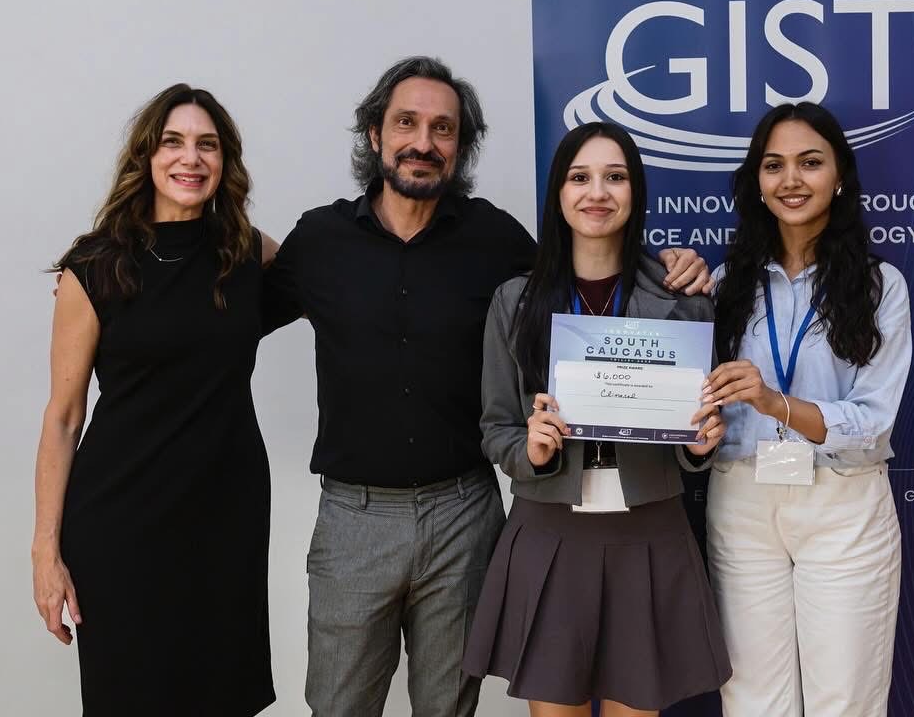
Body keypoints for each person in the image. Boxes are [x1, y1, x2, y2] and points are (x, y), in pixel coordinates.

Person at [263, 57, 711, 717]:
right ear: (375, 134)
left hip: (464, 514)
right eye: (406, 123)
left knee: (449, 708)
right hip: (355, 518)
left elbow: (586, 267)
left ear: (461, 145)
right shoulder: (321, 240)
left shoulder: (495, 240)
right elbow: (232, 316)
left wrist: (669, 262)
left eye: (443, 128)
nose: (423, 142)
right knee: (337, 705)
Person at [463, 121, 732, 716]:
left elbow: (697, 438)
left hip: (650, 536)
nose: (597, 192)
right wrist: (528, 450)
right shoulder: (515, 300)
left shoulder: (684, 300)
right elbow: (496, 426)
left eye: (615, 177)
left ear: (636, 192)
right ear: (558, 193)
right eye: (579, 177)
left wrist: (701, 444)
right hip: (549, 536)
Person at [31, 85, 277, 716]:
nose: (190, 158)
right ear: (146, 155)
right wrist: (45, 550)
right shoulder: (95, 267)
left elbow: (341, 285)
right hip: (121, 525)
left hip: (226, 519)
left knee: (221, 696)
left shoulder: (247, 255)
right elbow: (63, 418)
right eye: (173, 142)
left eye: (207, 145)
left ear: (225, 162)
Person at [704, 102, 913, 717]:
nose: (791, 180)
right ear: (756, 181)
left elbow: (873, 420)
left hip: (842, 503)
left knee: (845, 702)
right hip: (742, 500)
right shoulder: (725, 283)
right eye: (774, 165)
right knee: (750, 701)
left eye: (810, 163)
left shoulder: (880, 286)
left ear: (839, 175)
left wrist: (774, 402)